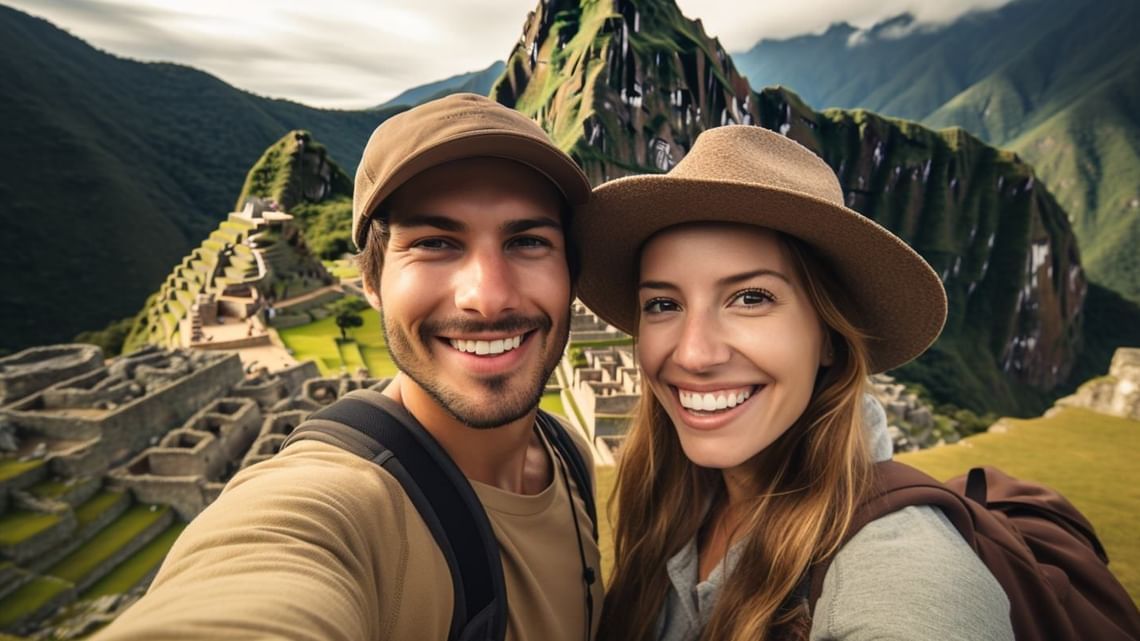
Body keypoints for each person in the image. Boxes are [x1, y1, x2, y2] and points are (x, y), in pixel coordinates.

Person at [95, 94, 602, 641]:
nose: (488, 297)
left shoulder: (569, 455)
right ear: (371, 281)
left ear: (571, 275)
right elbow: (258, 574)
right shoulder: (337, 508)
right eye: (435, 243)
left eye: (528, 241)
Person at [574, 125, 1014, 641]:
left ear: (829, 335)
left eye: (751, 298)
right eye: (664, 304)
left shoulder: (907, 573)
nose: (694, 354)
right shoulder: (673, 503)